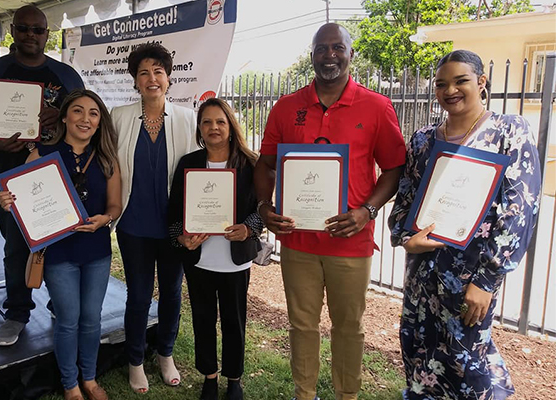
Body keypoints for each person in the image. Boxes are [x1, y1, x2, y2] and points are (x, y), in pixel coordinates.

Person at [254, 23, 406, 400]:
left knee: (349, 327)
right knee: (301, 324)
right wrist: (263, 206)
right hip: (298, 238)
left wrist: (367, 211)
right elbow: (265, 164)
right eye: (321, 48)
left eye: (337, 47)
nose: (329, 55)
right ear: (312, 55)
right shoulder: (287, 107)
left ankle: (346, 395)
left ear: (350, 54)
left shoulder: (376, 106)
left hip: (350, 241)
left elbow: (394, 169)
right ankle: (304, 394)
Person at [388, 50, 541, 400]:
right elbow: (405, 202)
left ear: (481, 83)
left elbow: (519, 210)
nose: (450, 90)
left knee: (466, 357)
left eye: (461, 81)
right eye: (442, 84)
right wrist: (406, 238)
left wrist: (487, 280)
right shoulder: (425, 139)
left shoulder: (508, 132)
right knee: (418, 348)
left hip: (471, 275)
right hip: (423, 273)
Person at [0, 4, 84, 346]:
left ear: (48, 34)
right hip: (9, 173)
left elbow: (84, 118)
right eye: (23, 29)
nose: (30, 35)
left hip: (58, 174)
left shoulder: (66, 76)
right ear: (12, 31)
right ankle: (17, 312)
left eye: (38, 30)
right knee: (16, 247)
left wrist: (60, 116)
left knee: (59, 243)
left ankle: (60, 305)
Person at [0, 89, 121, 400]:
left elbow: (115, 206)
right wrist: (10, 200)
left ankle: (90, 379)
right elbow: (23, 202)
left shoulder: (107, 159)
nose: (85, 118)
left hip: (96, 251)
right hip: (59, 253)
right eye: (78, 111)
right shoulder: (40, 156)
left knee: (91, 318)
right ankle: (70, 384)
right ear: (65, 117)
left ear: (99, 122)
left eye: (93, 113)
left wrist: (104, 219)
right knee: (68, 319)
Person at [111, 42, 198, 393]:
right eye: (144, 72)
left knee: (173, 293)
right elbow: (107, 165)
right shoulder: (119, 116)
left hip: (173, 226)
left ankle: (165, 354)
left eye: (158, 72)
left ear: (169, 78)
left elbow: (198, 173)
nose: (151, 78)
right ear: (135, 79)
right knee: (139, 295)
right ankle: (135, 361)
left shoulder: (187, 118)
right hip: (134, 224)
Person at [168, 98, 264, 400]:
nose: (213, 128)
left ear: (231, 126)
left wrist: (249, 228)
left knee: (234, 323)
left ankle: (234, 379)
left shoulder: (250, 164)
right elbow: (173, 214)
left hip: (235, 261)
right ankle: (209, 376)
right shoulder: (188, 163)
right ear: (199, 128)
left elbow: (264, 208)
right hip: (199, 260)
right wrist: (182, 238)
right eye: (207, 122)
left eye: (220, 122)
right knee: (203, 320)